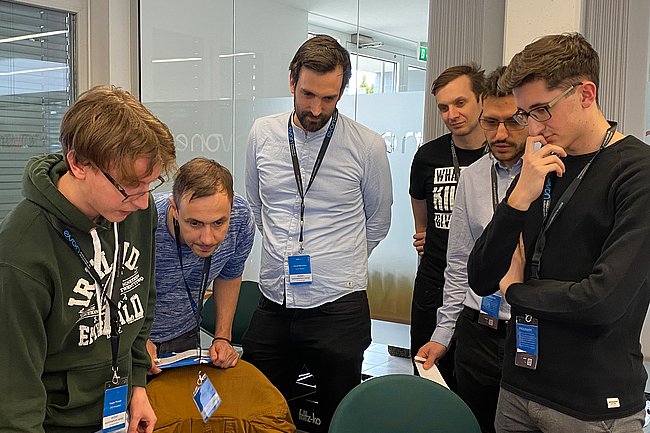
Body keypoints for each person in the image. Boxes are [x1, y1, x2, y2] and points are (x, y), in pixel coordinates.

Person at [468, 33, 650, 432]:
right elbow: (481, 277)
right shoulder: (540, 165)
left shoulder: (637, 172)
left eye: (542, 110)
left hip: (592, 403)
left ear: (586, 94)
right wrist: (519, 197)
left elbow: (600, 301)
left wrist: (516, 291)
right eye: (525, 114)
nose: (533, 127)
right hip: (518, 388)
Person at [0, 85, 176, 433]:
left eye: (150, 185)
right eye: (130, 186)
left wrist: (137, 383)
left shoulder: (134, 211)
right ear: (79, 163)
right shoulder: (19, 254)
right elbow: (14, 397)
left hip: (119, 411)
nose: (143, 202)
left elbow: (140, 299)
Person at [243, 34, 392, 429]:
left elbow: (378, 219)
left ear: (342, 91)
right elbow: (257, 204)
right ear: (292, 81)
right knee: (258, 412)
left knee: (338, 416)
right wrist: (282, 248)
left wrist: (338, 262)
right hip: (274, 301)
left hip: (338, 306)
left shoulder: (367, 146)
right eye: (308, 94)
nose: (316, 108)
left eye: (329, 98)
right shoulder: (261, 133)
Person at [417, 66, 526, 433]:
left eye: (513, 122)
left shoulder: (549, 173)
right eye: (491, 122)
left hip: (527, 332)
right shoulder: (473, 176)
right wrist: (442, 334)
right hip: (477, 331)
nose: (500, 134)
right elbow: (458, 262)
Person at [408, 63, 487, 384]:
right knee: (428, 376)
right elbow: (420, 211)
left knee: (472, 380)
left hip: (483, 286)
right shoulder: (428, 156)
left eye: (460, 103)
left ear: (481, 99)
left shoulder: (501, 155)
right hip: (434, 281)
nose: (452, 114)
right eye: (443, 107)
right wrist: (424, 235)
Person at [146, 157, 255, 374]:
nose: (207, 239)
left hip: (185, 335)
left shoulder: (241, 219)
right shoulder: (143, 220)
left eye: (218, 223)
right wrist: (135, 339)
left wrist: (223, 337)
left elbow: (230, 275)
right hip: (130, 339)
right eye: (194, 223)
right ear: (175, 209)